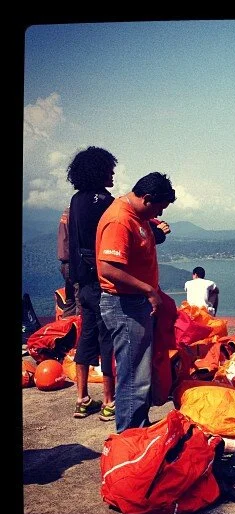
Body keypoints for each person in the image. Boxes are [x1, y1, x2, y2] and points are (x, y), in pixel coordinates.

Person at [97, 172, 177, 433]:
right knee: (133, 375)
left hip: (136, 303)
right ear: (147, 198)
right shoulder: (120, 219)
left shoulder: (138, 216)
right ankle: (131, 434)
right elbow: (108, 268)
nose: (159, 214)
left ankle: (138, 426)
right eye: (158, 207)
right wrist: (147, 290)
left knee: (141, 370)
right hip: (124, 305)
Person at [67, 146, 118, 420]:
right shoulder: (105, 201)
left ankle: (82, 399)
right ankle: (109, 401)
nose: (113, 174)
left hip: (83, 282)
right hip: (102, 281)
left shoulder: (76, 200)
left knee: (86, 336)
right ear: (98, 171)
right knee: (107, 338)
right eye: (109, 169)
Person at [57, 207, 79, 317]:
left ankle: (66, 326)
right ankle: (79, 327)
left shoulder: (67, 211)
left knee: (70, 302)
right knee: (81, 303)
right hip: (75, 263)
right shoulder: (77, 211)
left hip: (65, 263)